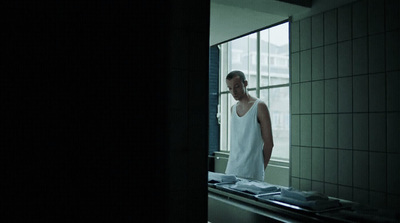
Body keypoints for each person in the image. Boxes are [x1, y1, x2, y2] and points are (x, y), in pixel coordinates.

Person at [225, 70, 274, 181]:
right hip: (231, 171)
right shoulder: (233, 109)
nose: (234, 92)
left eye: (237, 86)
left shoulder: (260, 106)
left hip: (252, 173)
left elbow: (269, 143)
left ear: (245, 83)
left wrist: (259, 169)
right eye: (230, 88)